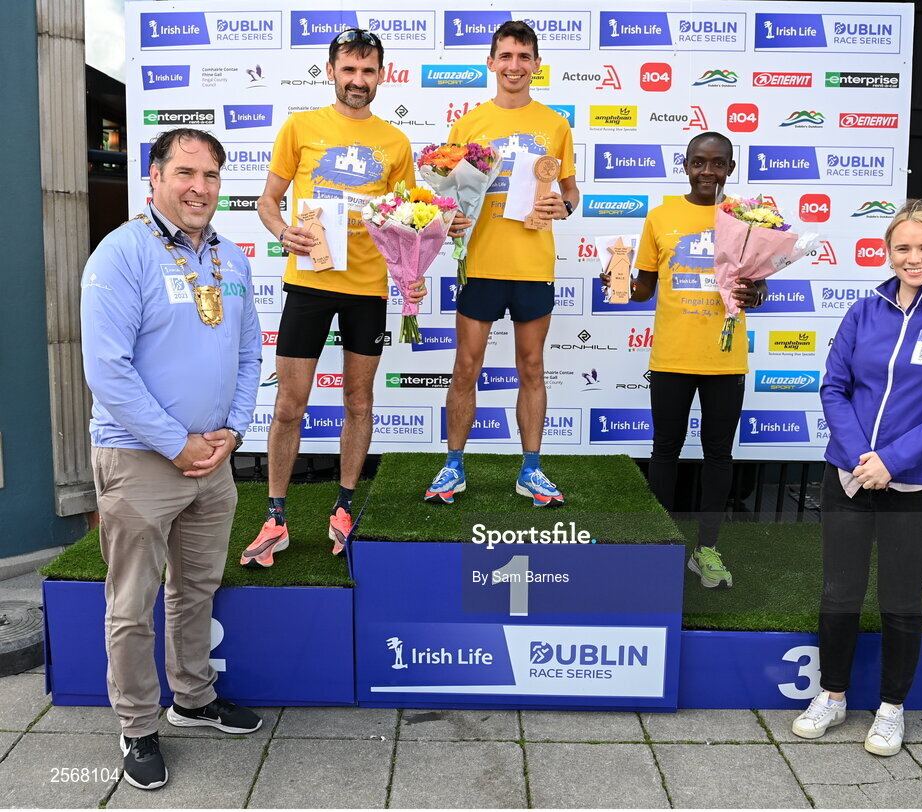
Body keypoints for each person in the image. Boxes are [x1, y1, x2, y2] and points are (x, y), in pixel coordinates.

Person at [80, 128, 263, 790]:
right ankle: (136, 727)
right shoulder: (122, 253)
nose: (200, 187)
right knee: (132, 602)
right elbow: (108, 369)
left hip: (213, 460)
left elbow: (248, 355)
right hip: (140, 459)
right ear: (154, 178)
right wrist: (176, 441)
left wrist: (232, 432)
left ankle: (193, 697)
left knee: (196, 588)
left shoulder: (232, 258)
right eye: (186, 172)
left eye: (211, 175)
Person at [791, 200, 922, 755]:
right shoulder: (863, 311)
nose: (914, 257)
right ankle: (831, 696)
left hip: (914, 484)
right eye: (903, 247)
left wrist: (892, 462)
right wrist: (861, 458)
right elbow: (834, 388)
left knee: (901, 597)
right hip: (850, 477)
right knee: (840, 591)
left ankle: (891, 709)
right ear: (888, 251)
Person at [243, 29, 417, 567]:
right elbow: (269, 200)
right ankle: (275, 516)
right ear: (331, 71)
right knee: (289, 405)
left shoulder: (396, 143)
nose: (358, 81)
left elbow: (409, 219)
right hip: (309, 283)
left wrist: (414, 263)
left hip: (367, 287)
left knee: (358, 403)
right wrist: (280, 232)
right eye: (349, 70)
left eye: (368, 72)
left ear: (382, 75)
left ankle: (343, 508)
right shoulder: (300, 127)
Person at [424, 20, 579, 507]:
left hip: (533, 264)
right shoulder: (469, 124)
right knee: (465, 367)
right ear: (491, 62)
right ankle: (453, 467)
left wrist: (566, 206)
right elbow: (450, 194)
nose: (515, 66)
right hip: (481, 262)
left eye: (524, 56)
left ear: (536, 64)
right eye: (506, 56)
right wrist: (447, 220)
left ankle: (530, 469)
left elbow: (569, 190)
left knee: (532, 367)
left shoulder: (555, 124)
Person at [609, 132, 765, 589]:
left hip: (724, 359)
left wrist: (757, 292)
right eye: (699, 163)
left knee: (718, 454)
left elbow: (759, 285)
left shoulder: (746, 219)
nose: (708, 172)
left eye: (718, 164)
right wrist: (616, 276)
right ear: (686, 165)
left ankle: (707, 549)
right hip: (672, 357)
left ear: (730, 170)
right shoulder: (660, 217)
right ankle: (661, 544)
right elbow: (642, 289)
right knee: (665, 450)